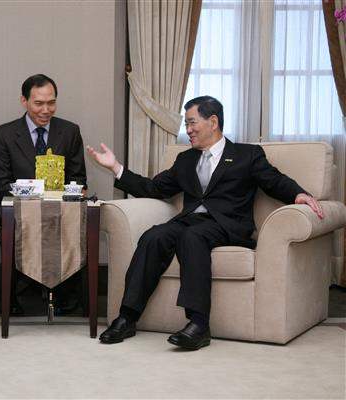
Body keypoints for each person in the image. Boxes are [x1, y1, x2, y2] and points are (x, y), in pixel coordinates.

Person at [87, 95, 323, 350]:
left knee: (192, 237)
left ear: (213, 122)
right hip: (191, 220)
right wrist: (116, 167)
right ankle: (127, 317)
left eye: (192, 123)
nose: (188, 130)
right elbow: (154, 188)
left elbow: (274, 180)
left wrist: (298, 194)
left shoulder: (247, 155)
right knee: (153, 236)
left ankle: (199, 325)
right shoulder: (185, 159)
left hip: (228, 225)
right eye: (186, 124)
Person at [0, 74, 88, 315]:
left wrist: (66, 194)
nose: (46, 110)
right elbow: (0, 183)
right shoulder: (4, 134)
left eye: (51, 103)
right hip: (20, 211)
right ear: (24, 101)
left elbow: (79, 178)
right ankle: (7, 297)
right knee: (14, 226)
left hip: (61, 212)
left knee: (77, 224)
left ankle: (67, 295)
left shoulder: (70, 131)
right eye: (39, 103)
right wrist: (34, 192)